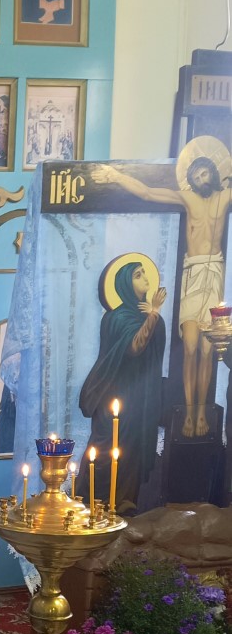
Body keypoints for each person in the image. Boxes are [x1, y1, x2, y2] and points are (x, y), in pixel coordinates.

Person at [91, 141, 232, 438]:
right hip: (193, 274)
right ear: (190, 180)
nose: (201, 179)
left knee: (208, 350)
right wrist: (115, 176)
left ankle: (202, 411)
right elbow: (147, 192)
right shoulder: (188, 199)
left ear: (214, 174)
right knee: (190, 347)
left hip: (215, 274)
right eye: (196, 176)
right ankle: (189, 411)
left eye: (205, 174)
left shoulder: (226, 196)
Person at [76, 259, 167, 513]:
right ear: (125, 284)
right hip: (114, 394)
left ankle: (124, 500)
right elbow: (135, 347)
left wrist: (153, 316)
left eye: (145, 273)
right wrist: (154, 313)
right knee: (106, 448)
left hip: (139, 396)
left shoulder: (150, 317)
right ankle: (92, 499)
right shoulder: (116, 317)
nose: (145, 279)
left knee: (133, 449)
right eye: (138, 275)